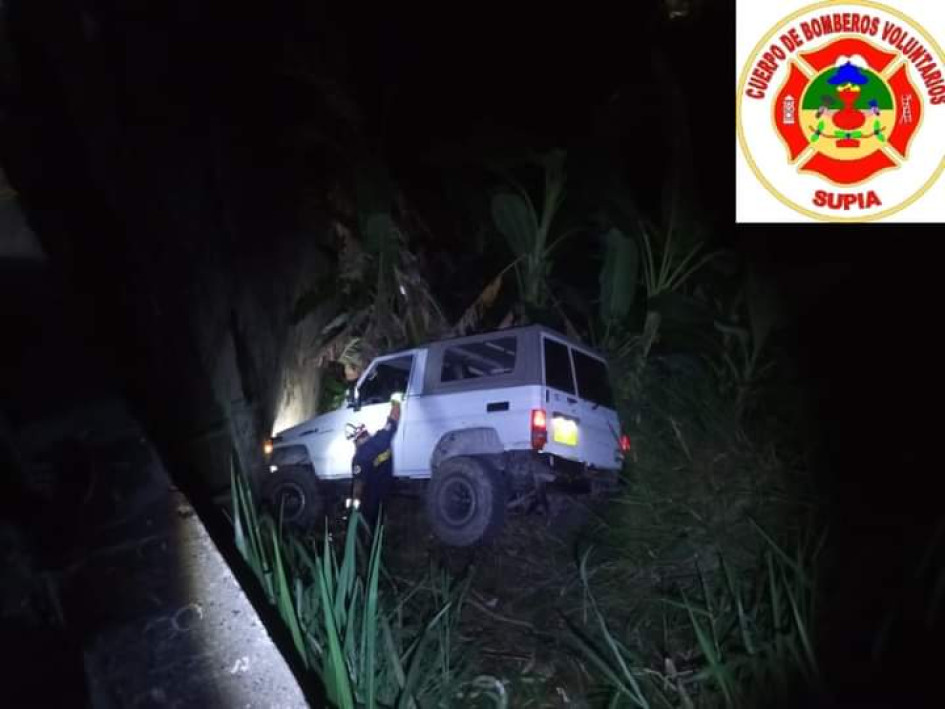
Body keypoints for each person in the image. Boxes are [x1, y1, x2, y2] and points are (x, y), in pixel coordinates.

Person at [347, 397, 401, 530]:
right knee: (382, 517)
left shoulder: (359, 459)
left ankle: (371, 542)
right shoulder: (383, 437)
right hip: (388, 489)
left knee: (371, 524)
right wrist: (396, 401)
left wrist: (354, 506)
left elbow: (358, 487)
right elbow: (394, 416)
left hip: (371, 499)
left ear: (356, 439)